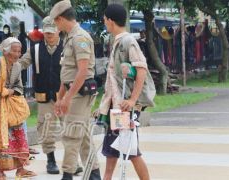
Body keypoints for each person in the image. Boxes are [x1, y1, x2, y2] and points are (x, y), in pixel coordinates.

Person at [99, 4, 155, 180]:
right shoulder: (117, 41)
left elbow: (141, 69)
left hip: (124, 108)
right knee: (111, 150)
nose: (105, 23)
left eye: (105, 20)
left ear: (110, 20)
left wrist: (132, 100)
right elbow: (113, 80)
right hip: (115, 106)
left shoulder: (127, 41)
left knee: (130, 151)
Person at [50, 1, 101, 179]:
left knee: (71, 136)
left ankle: (68, 175)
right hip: (73, 93)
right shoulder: (69, 38)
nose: (55, 26)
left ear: (61, 19)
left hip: (80, 94)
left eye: (56, 22)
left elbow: (83, 71)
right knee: (83, 136)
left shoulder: (80, 38)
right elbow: (67, 75)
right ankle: (94, 175)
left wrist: (67, 99)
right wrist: (60, 97)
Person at [0, 37, 36, 179]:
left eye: (19, 51)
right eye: (15, 51)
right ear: (6, 51)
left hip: (12, 107)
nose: (18, 54)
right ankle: (0, 171)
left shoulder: (17, 65)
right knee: (2, 140)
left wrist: (10, 92)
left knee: (19, 137)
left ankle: (21, 169)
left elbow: (19, 86)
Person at [19, 16, 63, 174]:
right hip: (44, 98)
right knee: (45, 129)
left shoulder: (67, 47)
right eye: (47, 33)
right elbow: (22, 63)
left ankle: (72, 161)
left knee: (72, 130)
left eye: (52, 32)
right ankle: (51, 160)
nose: (49, 36)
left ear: (59, 31)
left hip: (65, 97)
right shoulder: (35, 49)